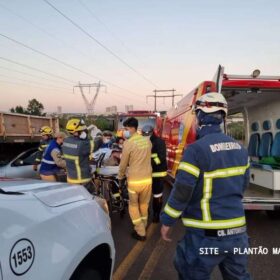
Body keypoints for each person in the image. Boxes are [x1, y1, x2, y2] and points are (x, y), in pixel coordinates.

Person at [160, 92, 251, 280]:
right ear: (223, 116)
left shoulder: (195, 150)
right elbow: (243, 185)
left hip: (205, 235)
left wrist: (168, 220)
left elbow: (182, 192)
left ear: (199, 116)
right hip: (238, 233)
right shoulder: (241, 150)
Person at [118, 117, 152, 241]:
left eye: (126, 128)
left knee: (133, 205)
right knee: (144, 204)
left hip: (135, 180)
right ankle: (144, 224)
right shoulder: (147, 141)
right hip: (147, 179)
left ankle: (140, 231)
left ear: (131, 128)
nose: (125, 131)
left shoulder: (128, 143)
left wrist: (120, 177)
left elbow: (123, 164)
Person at [142, 125, 167, 223]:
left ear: (152, 133)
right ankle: (146, 213)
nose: (145, 136)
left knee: (157, 195)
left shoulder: (159, 142)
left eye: (146, 134)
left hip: (158, 172)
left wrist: (148, 161)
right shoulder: (143, 142)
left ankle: (156, 215)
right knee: (145, 195)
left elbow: (160, 158)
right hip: (147, 172)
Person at [62, 119, 94, 192]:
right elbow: (96, 144)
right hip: (82, 179)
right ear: (77, 132)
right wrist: (98, 135)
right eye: (83, 130)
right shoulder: (83, 144)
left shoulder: (66, 141)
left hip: (70, 178)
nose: (84, 132)